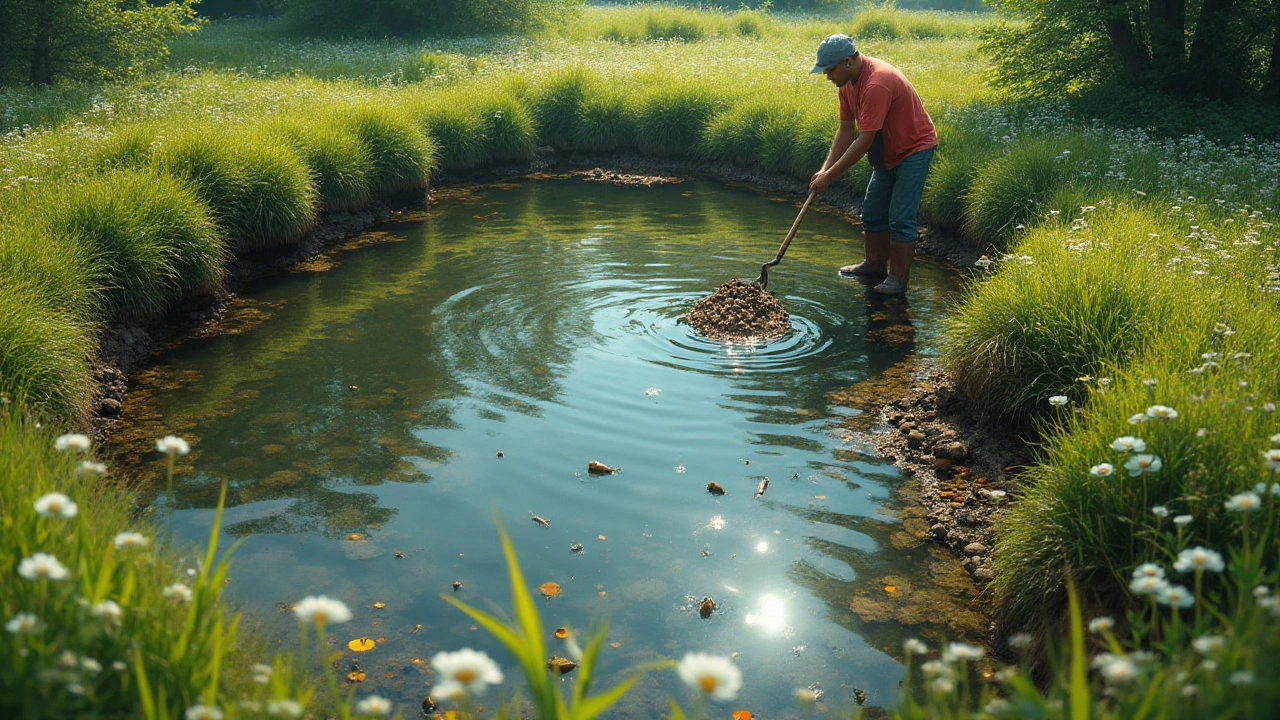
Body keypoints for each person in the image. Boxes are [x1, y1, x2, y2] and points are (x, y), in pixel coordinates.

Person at [807, 34, 937, 296]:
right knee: (873, 210)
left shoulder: (877, 82)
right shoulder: (846, 84)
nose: (828, 77)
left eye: (829, 70)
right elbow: (845, 130)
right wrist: (824, 169)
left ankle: (898, 278)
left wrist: (830, 176)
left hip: (913, 148)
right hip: (886, 151)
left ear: (847, 62)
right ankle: (875, 264)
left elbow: (864, 140)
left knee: (901, 217)